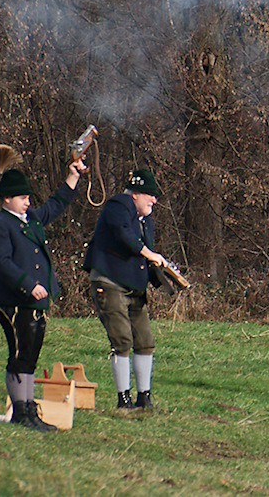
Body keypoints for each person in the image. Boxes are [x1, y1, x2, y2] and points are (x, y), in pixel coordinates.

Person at [0, 144, 85, 431]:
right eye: (23, 197)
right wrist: (29, 286)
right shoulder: (0, 225)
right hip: (12, 300)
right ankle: (20, 412)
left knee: (30, 354)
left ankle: (28, 410)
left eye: (28, 197)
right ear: (7, 199)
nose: (28, 202)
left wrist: (73, 177)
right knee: (19, 354)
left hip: (34, 302)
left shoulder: (30, 220)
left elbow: (56, 203)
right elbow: (1, 262)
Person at [83, 168, 169, 410]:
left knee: (145, 341)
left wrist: (166, 277)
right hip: (109, 283)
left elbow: (145, 255)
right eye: (150, 195)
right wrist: (150, 254)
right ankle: (123, 399)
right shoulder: (118, 204)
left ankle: (144, 397)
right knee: (122, 340)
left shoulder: (146, 221)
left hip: (134, 287)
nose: (154, 200)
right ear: (135, 194)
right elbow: (125, 236)